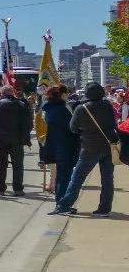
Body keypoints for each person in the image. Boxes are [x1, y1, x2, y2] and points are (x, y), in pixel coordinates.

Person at [56, 83, 119, 217]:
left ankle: (64, 205)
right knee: (107, 179)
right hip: (108, 146)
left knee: (77, 178)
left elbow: (73, 128)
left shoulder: (82, 108)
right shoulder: (107, 105)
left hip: (89, 147)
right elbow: (113, 123)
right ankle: (104, 209)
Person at [0, 85, 32, 196]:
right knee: (18, 165)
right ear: (12, 92)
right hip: (17, 139)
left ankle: (0, 189)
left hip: (0, 140)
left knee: (1, 164)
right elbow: (29, 123)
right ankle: (18, 189)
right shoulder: (21, 105)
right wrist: (25, 136)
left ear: (2, 93)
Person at [42, 85, 79, 214]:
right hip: (65, 146)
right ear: (61, 94)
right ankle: (62, 204)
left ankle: (60, 203)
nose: (68, 95)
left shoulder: (49, 108)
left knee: (61, 176)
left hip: (55, 146)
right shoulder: (61, 109)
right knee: (64, 177)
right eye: (66, 93)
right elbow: (70, 128)